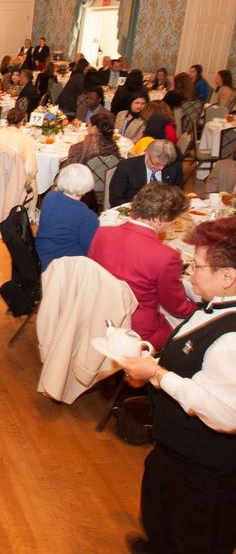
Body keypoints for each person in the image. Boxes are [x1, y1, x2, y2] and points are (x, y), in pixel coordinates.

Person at [118, 217, 236, 554]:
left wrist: (156, 374)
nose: (189, 274)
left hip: (206, 470)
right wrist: (151, 366)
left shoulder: (232, 338)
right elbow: (193, 365)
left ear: (227, 277)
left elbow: (225, 413)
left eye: (197, 266)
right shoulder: (212, 307)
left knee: (198, 538)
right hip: (174, 450)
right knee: (160, 518)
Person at [88, 183, 196, 350]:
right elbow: (177, 307)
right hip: (137, 332)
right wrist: (201, 310)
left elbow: (92, 277)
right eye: (173, 220)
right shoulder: (167, 256)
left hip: (99, 317)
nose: (172, 224)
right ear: (160, 219)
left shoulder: (102, 233)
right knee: (193, 333)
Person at [35, 164, 99, 271]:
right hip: (64, 268)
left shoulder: (50, 197)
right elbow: (92, 250)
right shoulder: (86, 216)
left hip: (42, 255)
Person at [109, 139, 182, 207]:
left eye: (164, 164)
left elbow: (177, 195)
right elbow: (115, 198)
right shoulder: (127, 166)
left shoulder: (174, 167)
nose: (161, 168)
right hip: (132, 210)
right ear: (147, 153)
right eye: (156, 163)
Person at [0, 108, 38, 184]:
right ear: (21, 122)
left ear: (7, 120)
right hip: (15, 180)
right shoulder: (26, 139)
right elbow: (30, 168)